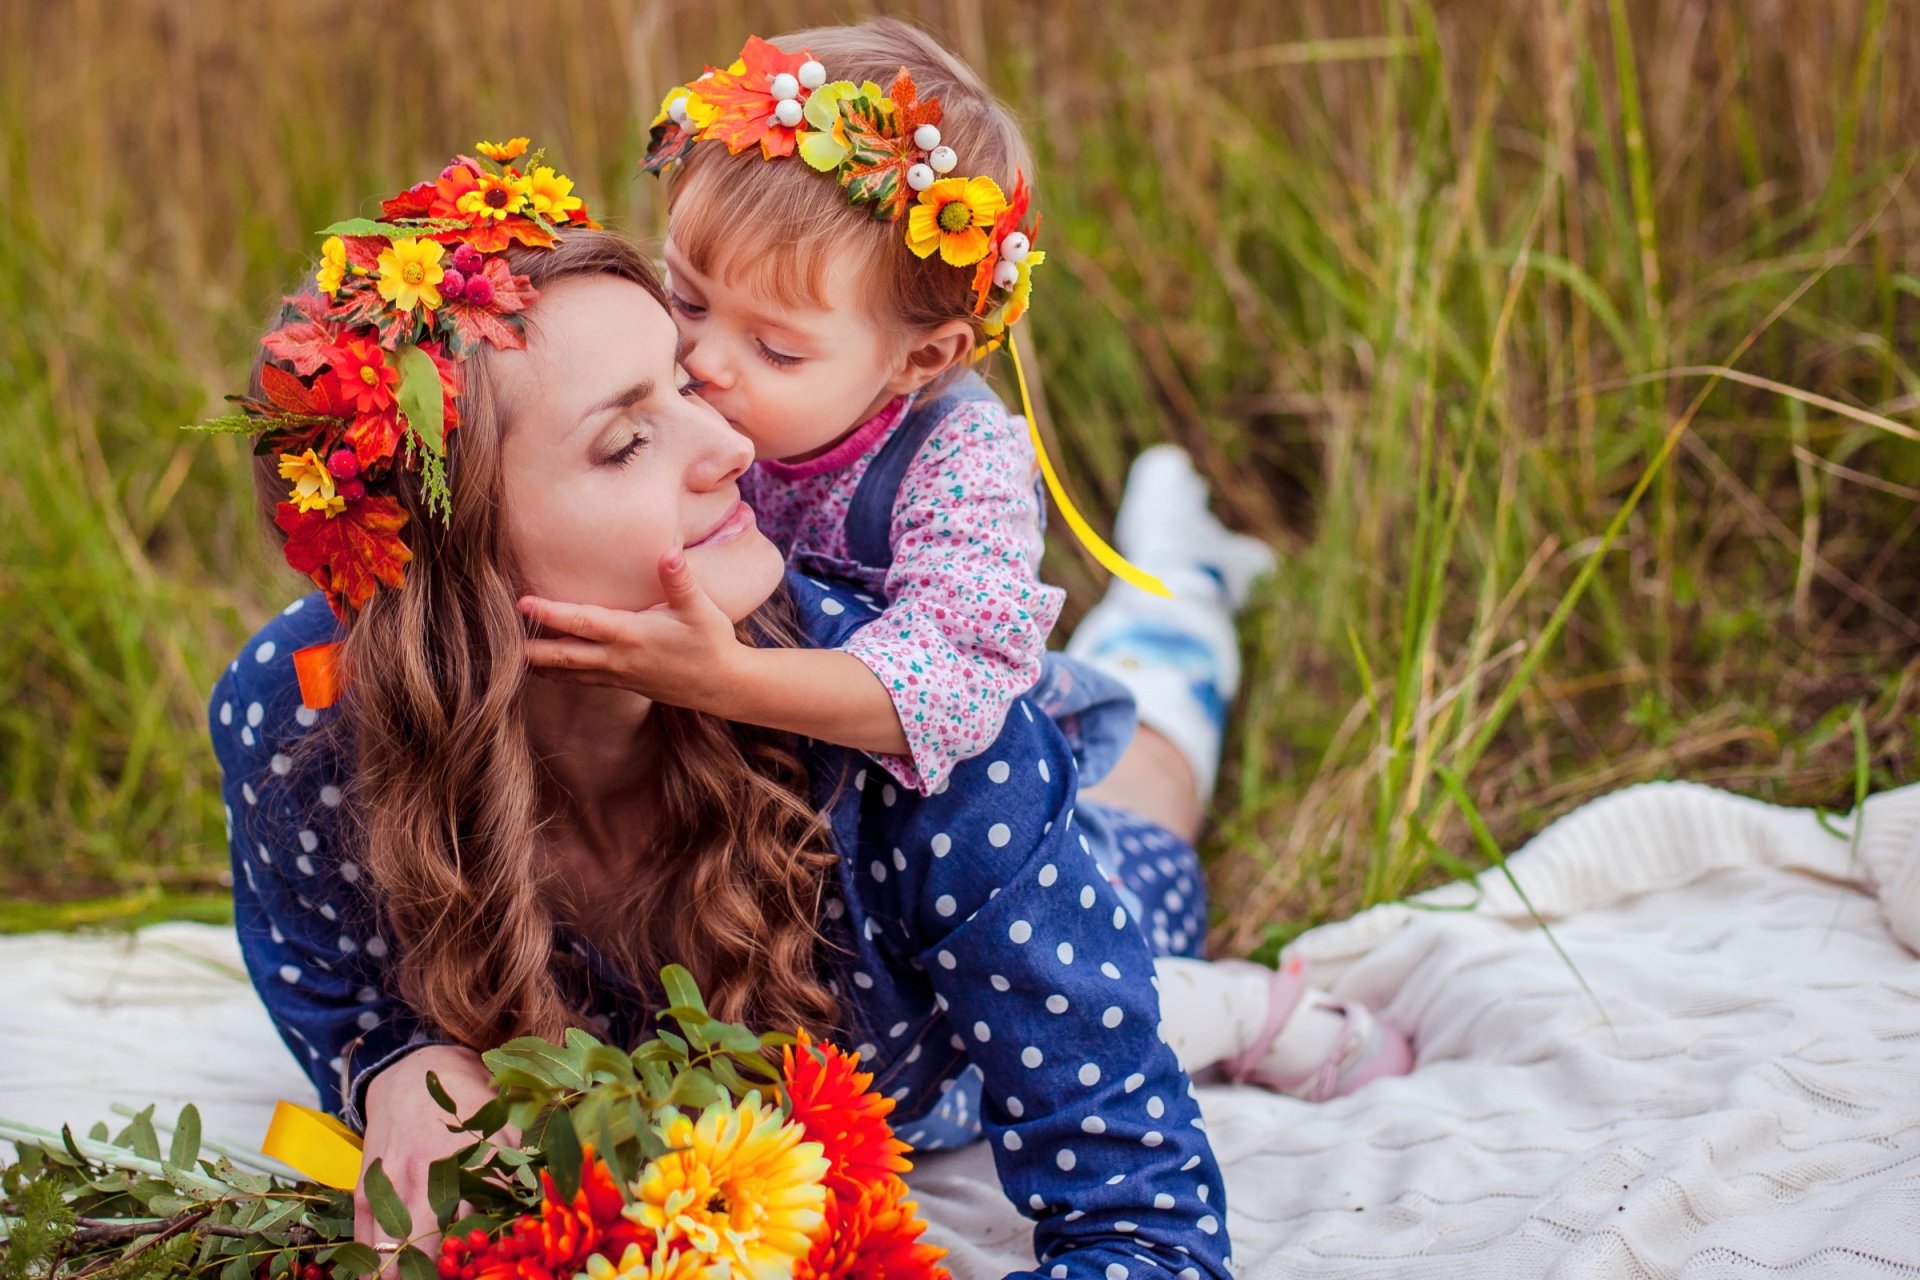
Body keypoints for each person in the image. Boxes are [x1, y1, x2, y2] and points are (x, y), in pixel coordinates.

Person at [209, 146, 1405, 1280]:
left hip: (1003, 917)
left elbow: (1142, 1224)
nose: (732, 443)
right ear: (451, 563)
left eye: (686, 383)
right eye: (630, 437)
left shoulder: (913, 740)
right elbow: (349, 997)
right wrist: (403, 1066)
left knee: (1141, 820)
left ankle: (1183, 582)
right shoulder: (305, 719)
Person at [518, 19, 1156, 799]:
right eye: (685, 297)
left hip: (955, 811)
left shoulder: (955, 457)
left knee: (1150, 798)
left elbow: (956, 682)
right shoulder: (686, 382)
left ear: (918, 359)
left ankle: (1180, 605)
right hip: (770, 803)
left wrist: (729, 680)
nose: (703, 361)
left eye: (777, 351)